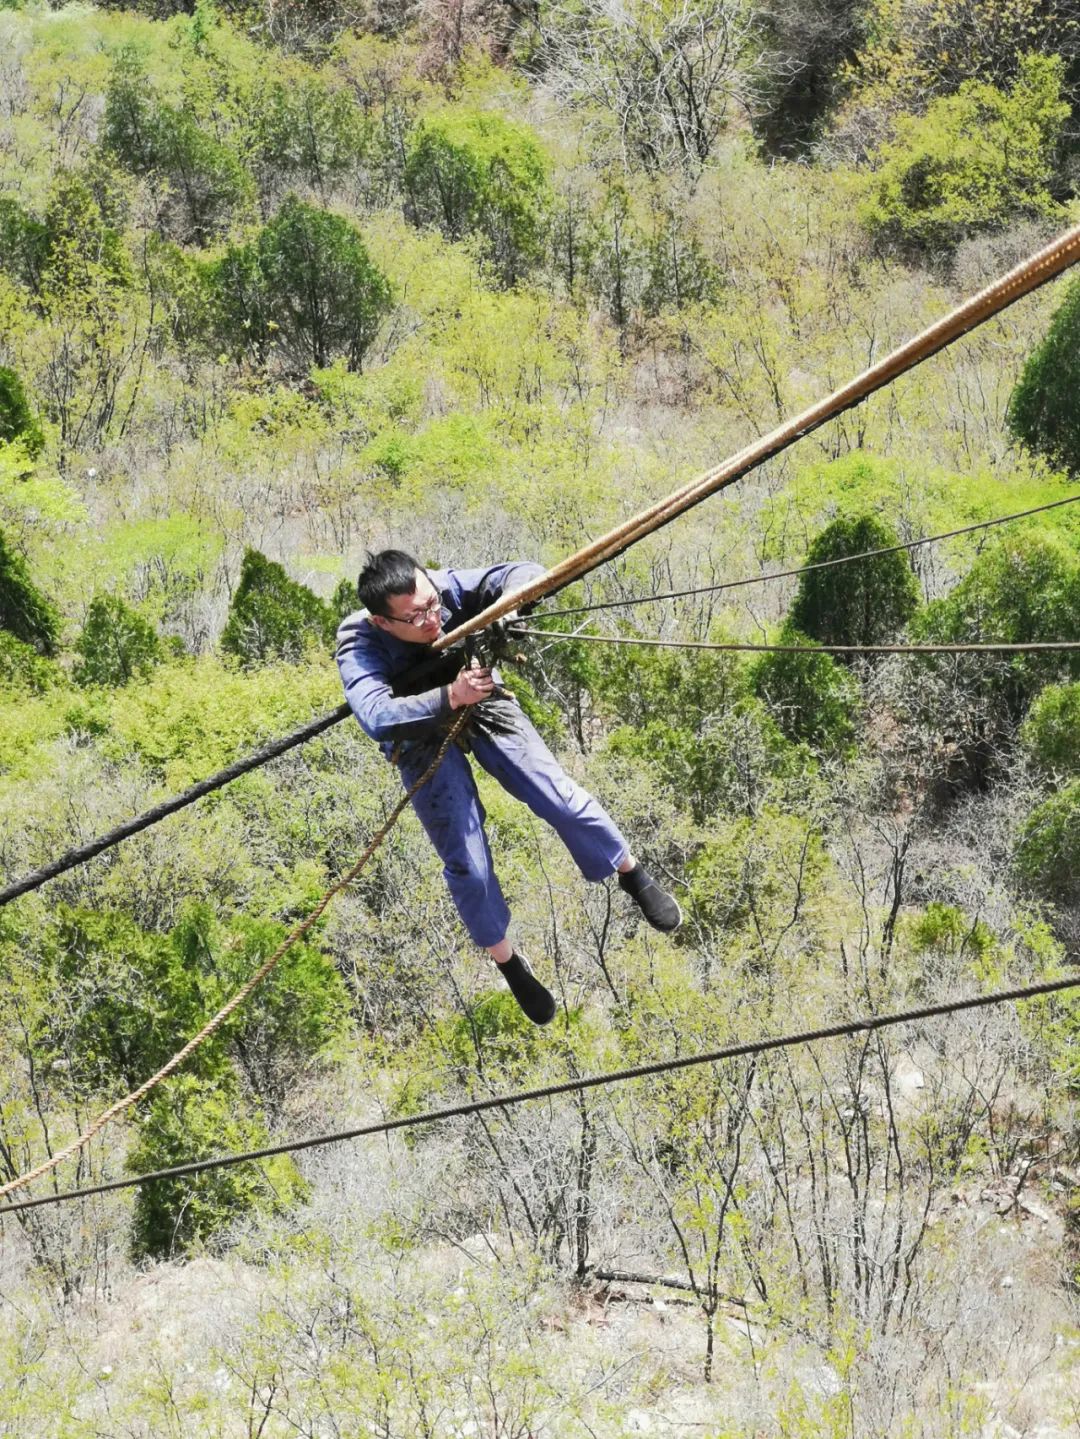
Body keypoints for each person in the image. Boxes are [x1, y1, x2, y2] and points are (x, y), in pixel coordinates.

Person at [335, 550, 681, 1025]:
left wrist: (509, 607)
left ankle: (629, 872)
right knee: (468, 861)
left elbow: (525, 574)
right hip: (419, 734)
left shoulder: (442, 588)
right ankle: (509, 962)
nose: (432, 618)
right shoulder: (358, 641)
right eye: (415, 617)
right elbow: (376, 715)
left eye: (433, 605)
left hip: (481, 697)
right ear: (383, 621)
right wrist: (450, 696)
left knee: (555, 793)